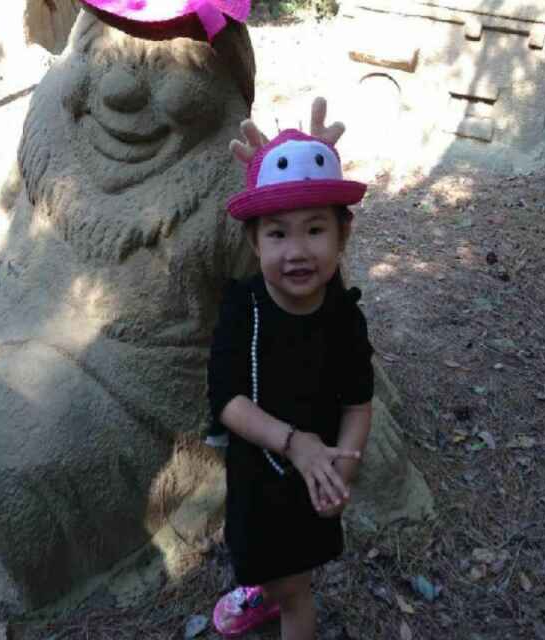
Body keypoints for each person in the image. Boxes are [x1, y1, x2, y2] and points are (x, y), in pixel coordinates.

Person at [206, 97, 375, 639]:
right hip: (257, 476)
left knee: (296, 589)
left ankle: (282, 600)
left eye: (315, 230)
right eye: (278, 234)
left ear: (343, 234)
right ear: (254, 241)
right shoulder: (243, 308)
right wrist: (293, 442)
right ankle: (264, 588)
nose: (297, 250)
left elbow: (358, 400)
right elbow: (227, 399)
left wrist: (343, 468)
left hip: (311, 482)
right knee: (257, 554)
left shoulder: (344, 317)